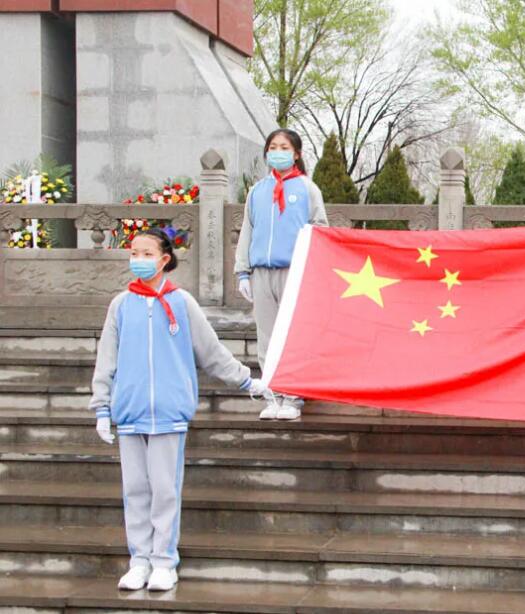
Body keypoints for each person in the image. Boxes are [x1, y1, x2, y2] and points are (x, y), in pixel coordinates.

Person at [89, 228, 267, 592]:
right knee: (135, 490)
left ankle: (163, 561)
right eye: (134, 252)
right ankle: (139, 560)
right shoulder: (121, 305)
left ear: (164, 259)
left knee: (165, 490)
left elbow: (211, 352)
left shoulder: (182, 303)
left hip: (169, 414)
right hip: (130, 413)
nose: (138, 259)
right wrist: (102, 408)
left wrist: (247, 382)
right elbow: (106, 359)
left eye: (146, 253)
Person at [234, 128, 327, 420]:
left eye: (284, 147)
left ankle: (293, 397)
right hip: (262, 273)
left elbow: (320, 229)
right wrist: (242, 272)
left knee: (293, 336)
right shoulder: (257, 191)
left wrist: (311, 269)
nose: (278, 152)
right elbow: (247, 231)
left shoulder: (308, 189)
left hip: (294, 272)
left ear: (296, 154)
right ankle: (272, 395)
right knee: (267, 337)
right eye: (273, 147)